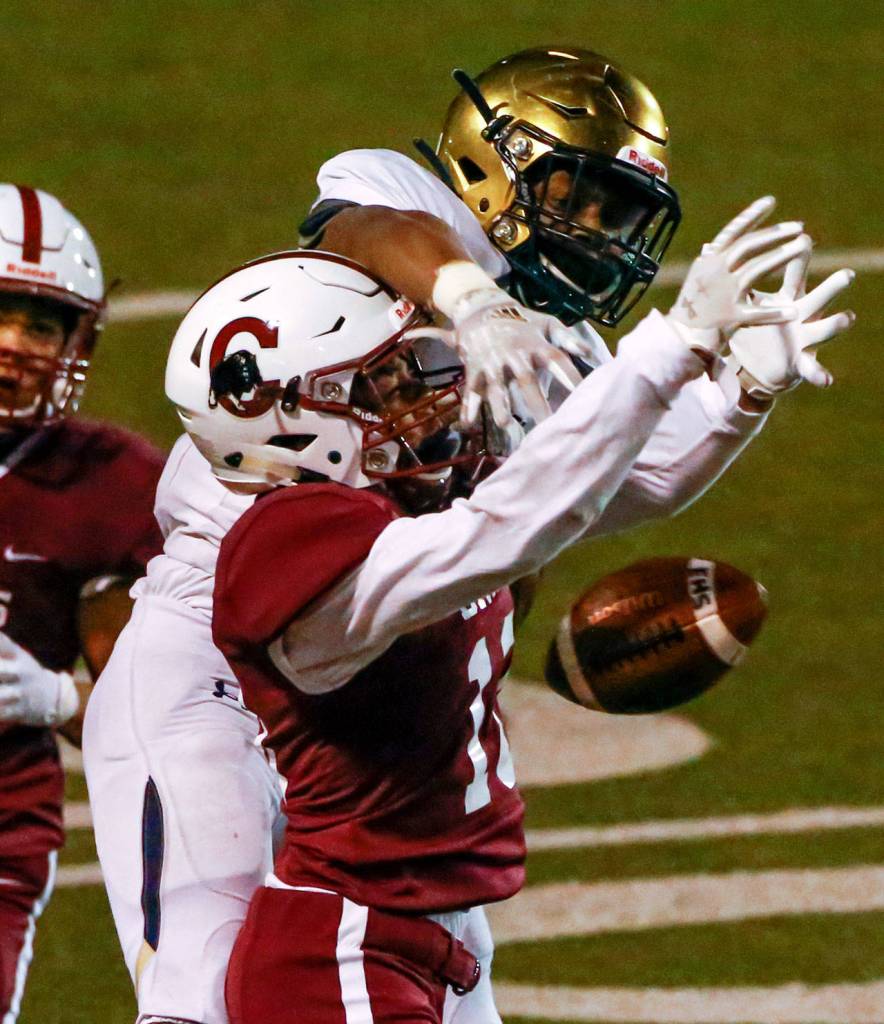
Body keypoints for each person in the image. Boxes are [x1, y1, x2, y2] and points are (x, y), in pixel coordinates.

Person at [84, 46, 855, 1024]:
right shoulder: (413, 222)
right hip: (231, 648)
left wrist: (737, 387)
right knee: (198, 989)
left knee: (443, 957)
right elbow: (369, 228)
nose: (599, 232)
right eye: (578, 197)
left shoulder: (563, 346)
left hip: (388, 670)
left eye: (616, 211)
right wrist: (468, 298)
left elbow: (625, 474)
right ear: (495, 169)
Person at [0, 183, 165, 1021]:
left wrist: (54, 696)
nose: (13, 345)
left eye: (41, 323)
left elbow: (175, 713)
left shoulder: (119, 486)